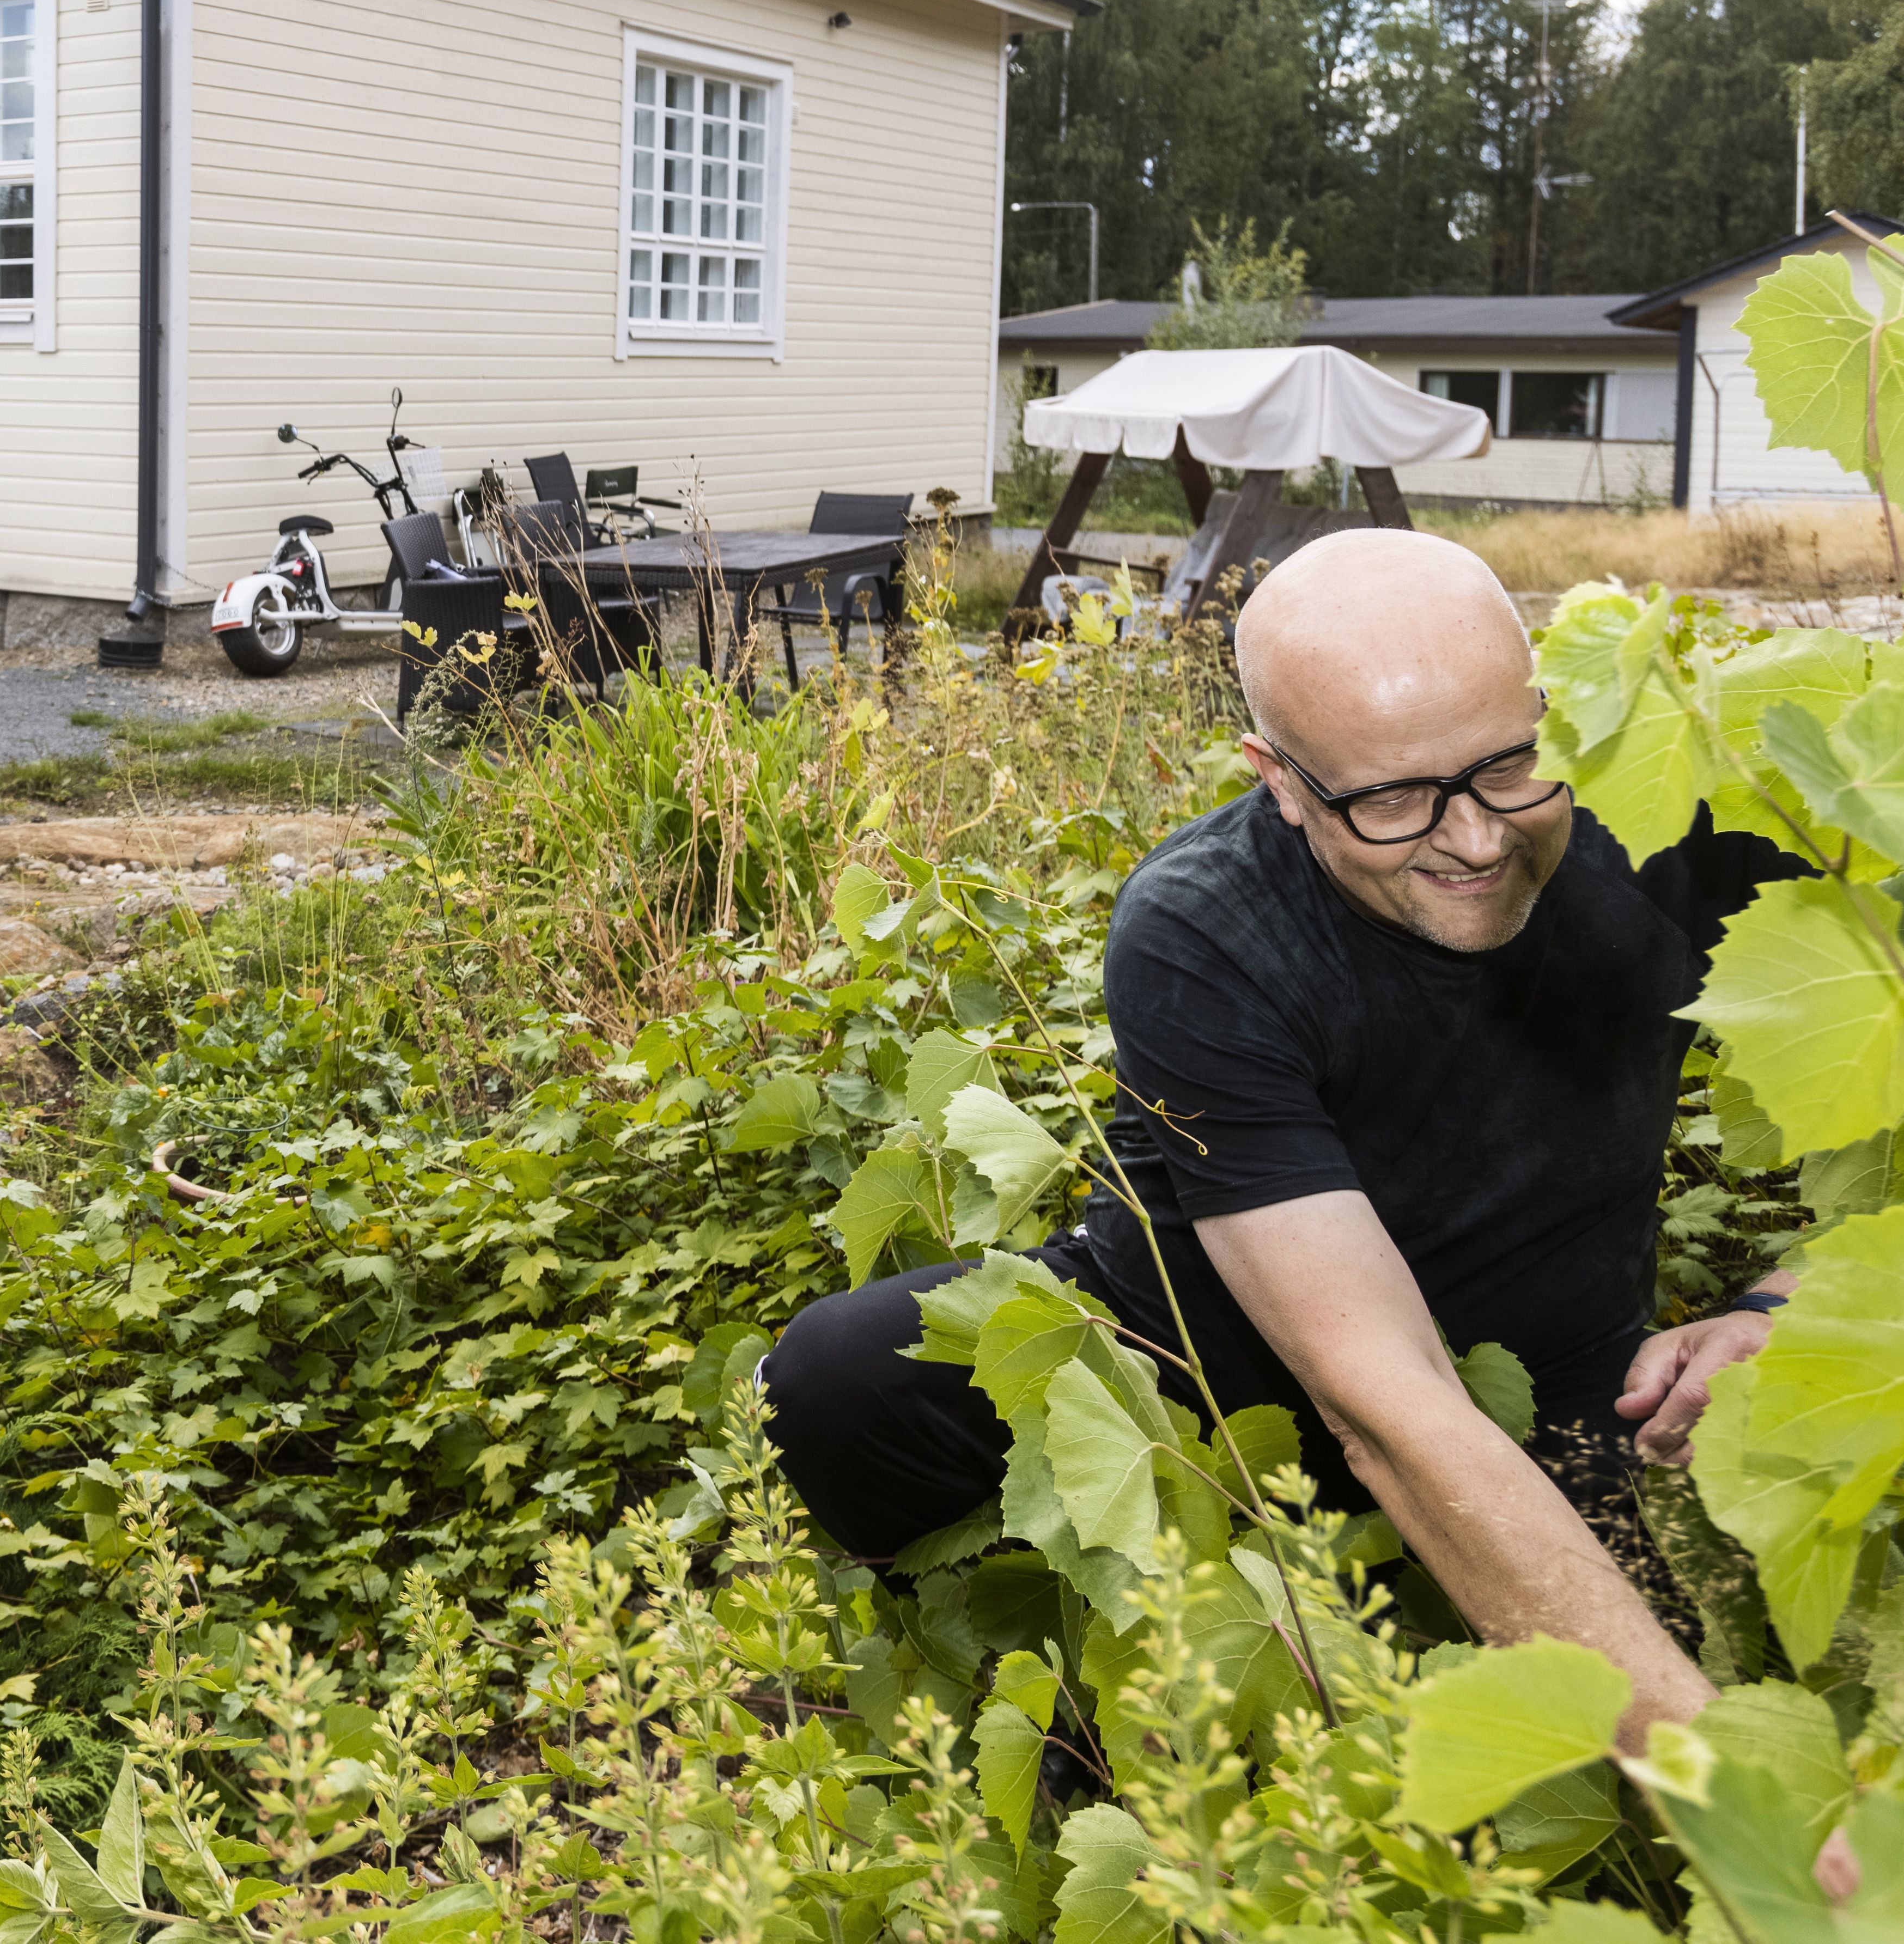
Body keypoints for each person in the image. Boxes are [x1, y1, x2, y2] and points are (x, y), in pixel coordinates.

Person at [758, 528, 1798, 1756]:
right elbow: (1383, 1396)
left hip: (1548, 1371)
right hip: (1204, 1352)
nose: (1474, 837)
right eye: (1393, 797)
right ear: (1280, 779)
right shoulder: (1204, 923)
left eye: (1510, 763)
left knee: (1619, 1673)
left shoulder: (1680, 825)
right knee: (830, 1379)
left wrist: (1783, 1302)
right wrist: (1719, 1774)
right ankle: (1046, 1681)